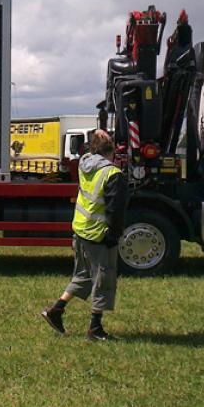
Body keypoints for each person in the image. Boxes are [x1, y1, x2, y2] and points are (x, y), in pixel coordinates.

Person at [41, 130, 128, 341]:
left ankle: (56, 310)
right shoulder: (113, 174)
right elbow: (115, 212)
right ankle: (95, 329)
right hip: (99, 234)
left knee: (83, 275)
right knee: (103, 278)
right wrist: (113, 235)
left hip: (80, 230)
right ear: (113, 151)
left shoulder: (84, 164)